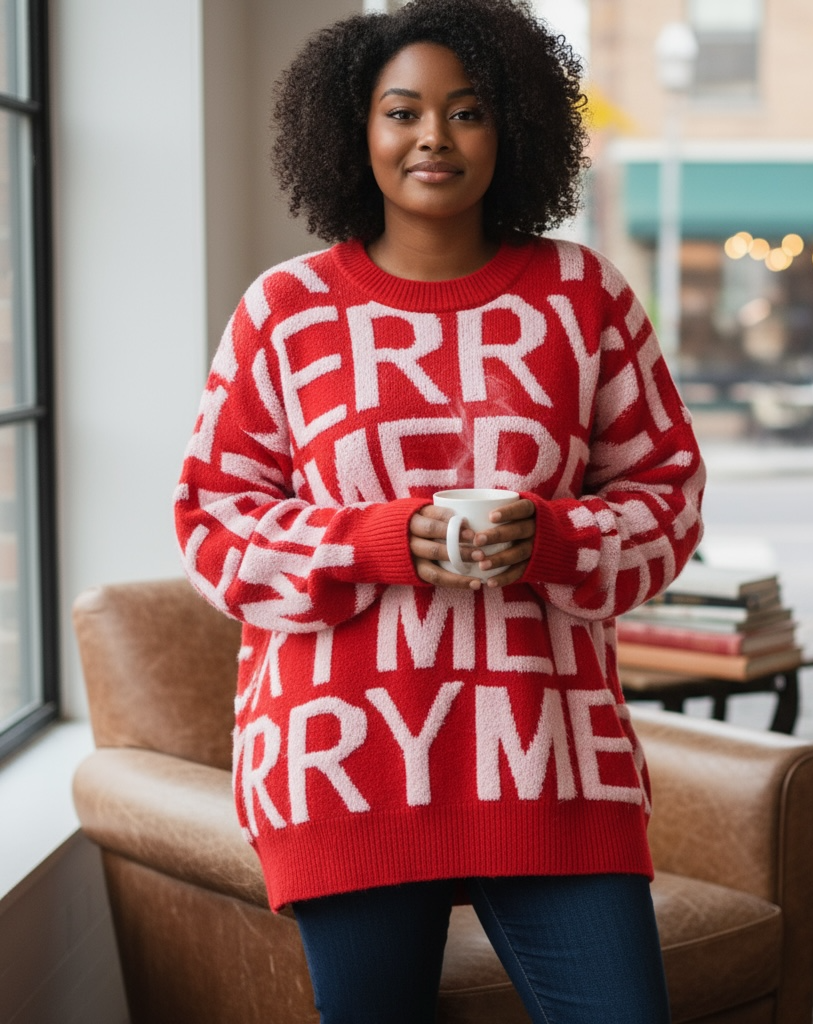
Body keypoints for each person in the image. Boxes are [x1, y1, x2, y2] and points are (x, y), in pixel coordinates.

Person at [175, 1, 705, 1020]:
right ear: (353, 130)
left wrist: (553, 539)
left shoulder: (581, 297)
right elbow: (212, 521)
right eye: (402, 111)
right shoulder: (284, 311)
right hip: (346, 763)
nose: (432, 137)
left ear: (510, 130)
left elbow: (667, 497)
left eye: (465, 112)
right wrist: (375, 541)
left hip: (549, 758)